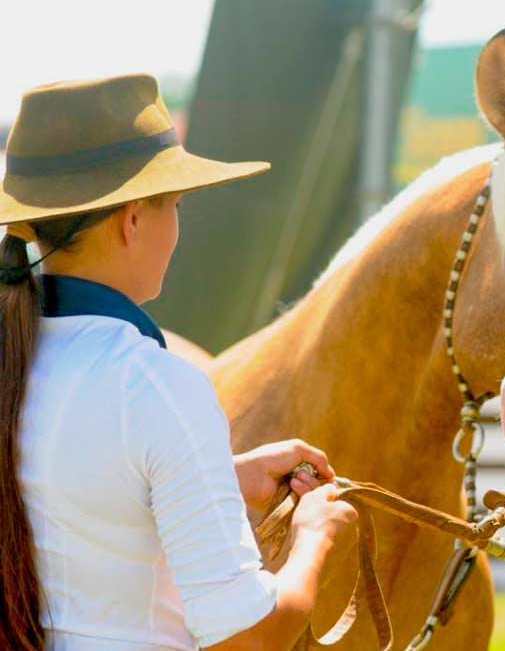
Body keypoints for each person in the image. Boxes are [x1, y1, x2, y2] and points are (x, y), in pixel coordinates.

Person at [0, 74, 358, 650]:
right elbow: (246, 639)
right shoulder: (155, 386)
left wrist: (217, 475)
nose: (177, 226)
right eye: (176, 205)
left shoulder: (18, 352)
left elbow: (66, 496)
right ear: (133, 218)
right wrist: (316, 537)